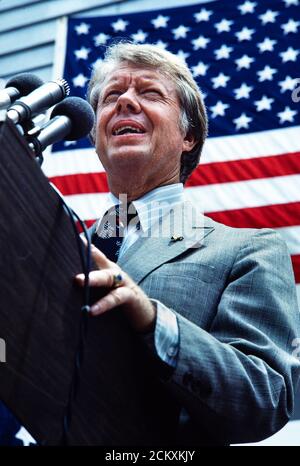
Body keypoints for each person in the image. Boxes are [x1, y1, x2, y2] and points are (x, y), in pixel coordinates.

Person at [75, 42, 300, 445]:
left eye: (149, 92)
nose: (125, 101)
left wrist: (154, 321)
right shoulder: (60, 248)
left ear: (188, 136)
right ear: (95, 134)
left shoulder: (248, 249)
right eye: (112, 95)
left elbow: (265, 400)